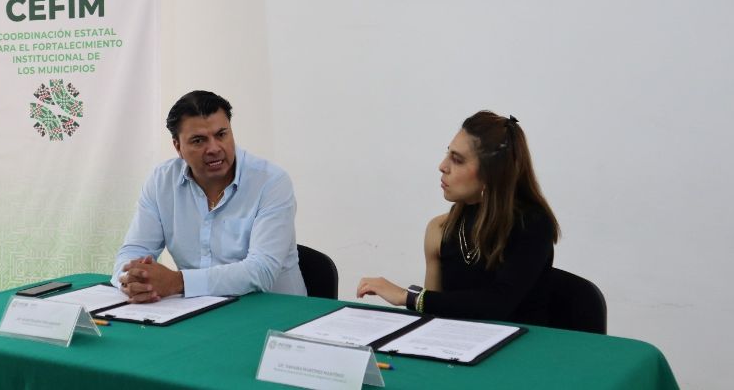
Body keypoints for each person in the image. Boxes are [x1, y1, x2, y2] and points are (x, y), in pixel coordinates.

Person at [356, 111, 560, 325]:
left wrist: (407, 297)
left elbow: (497, 304)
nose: (442, 166)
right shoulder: (439, 229)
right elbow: (432, 318)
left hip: (522, 344)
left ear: (491, 175)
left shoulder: (533, 225)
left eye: (457, 160)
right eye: (448, 154)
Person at [112, 90, 306, 302]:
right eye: (198, 141)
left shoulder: (271, 182)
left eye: (221, 135)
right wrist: (132, 280)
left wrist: (178, 282)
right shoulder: (162, 181)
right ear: (178, 147)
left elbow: (262, 271)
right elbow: (135, 249)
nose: (214, 148)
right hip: (197, 310)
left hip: (274, 311)